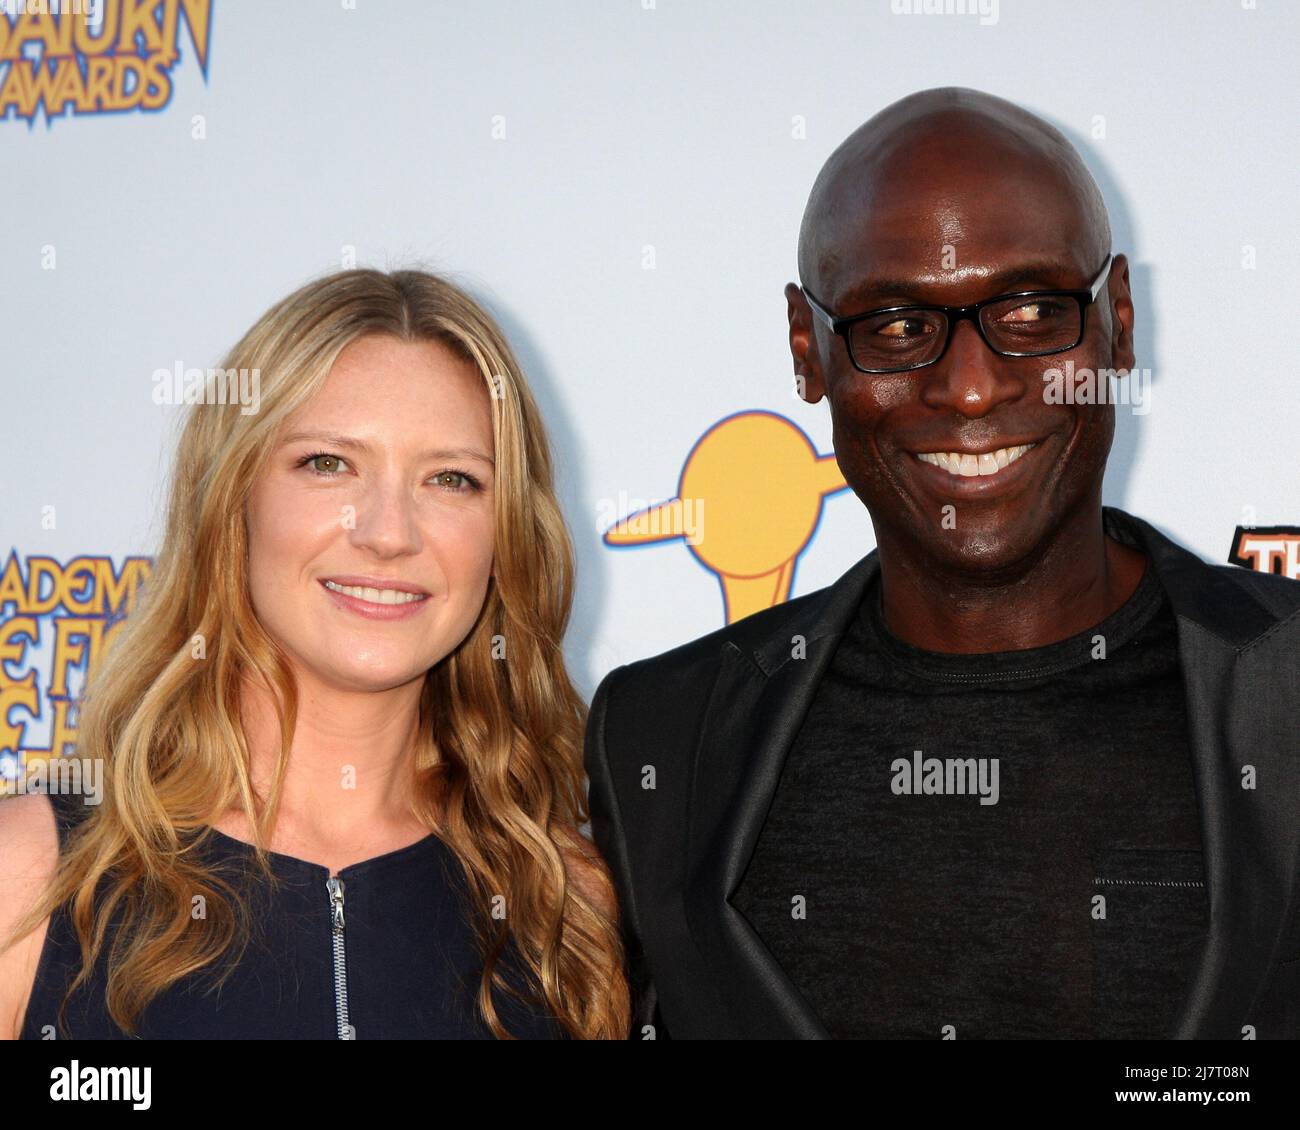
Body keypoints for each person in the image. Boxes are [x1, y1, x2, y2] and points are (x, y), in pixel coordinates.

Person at [584, 87, 1300, 1040]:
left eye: (1037, 309)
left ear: (1119, 321)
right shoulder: (660, 739)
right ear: (809, 350)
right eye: (895, 326)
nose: (970, 388)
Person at [0, 268, 629, 1040]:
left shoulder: (565, 900)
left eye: (453, 479)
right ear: (232, 500)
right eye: (329, 463)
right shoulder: (31, 877)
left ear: (504, 540)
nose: (389, 531)